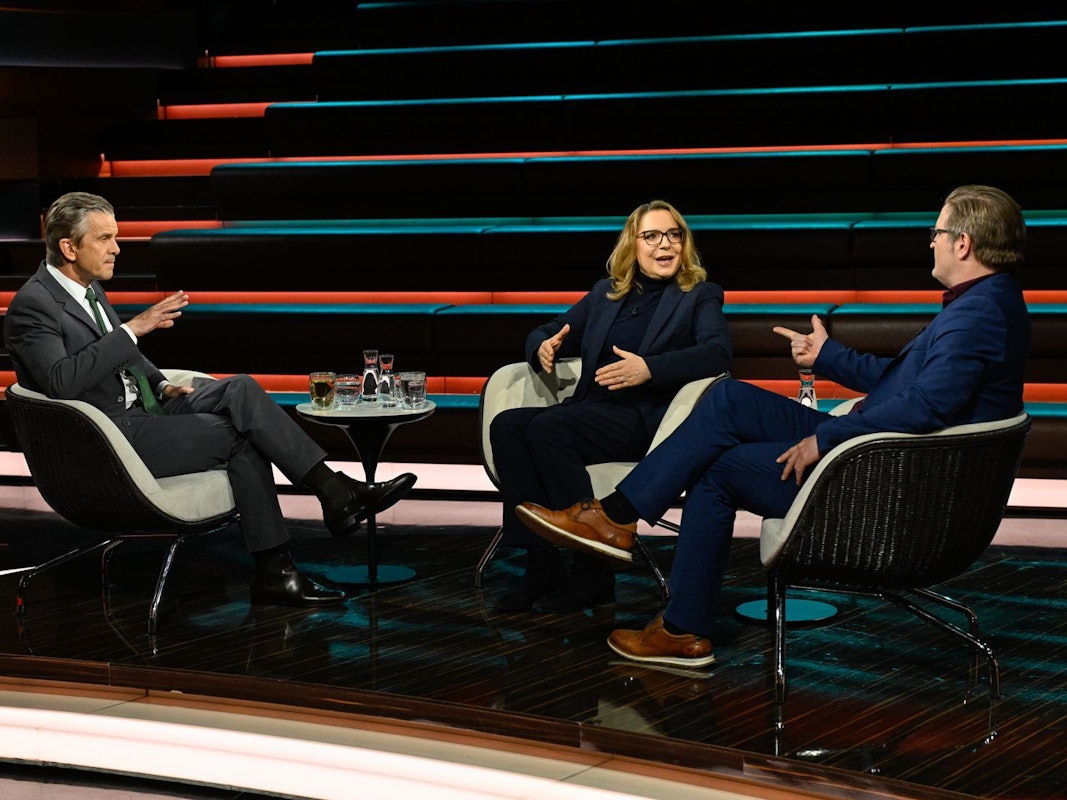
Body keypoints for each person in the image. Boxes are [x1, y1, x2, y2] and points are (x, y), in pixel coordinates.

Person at [515, 184, 1031, 666]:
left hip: (878, 473)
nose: (932, 244)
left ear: (963, 243)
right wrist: (827, 356)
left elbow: (923, 409)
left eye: (937, 234)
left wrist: (824, 436)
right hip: (871, 448)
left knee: (716, 468)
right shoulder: (985, 304)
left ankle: (649, 573)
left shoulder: (979, 315)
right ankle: (628, 537)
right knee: (728, 399)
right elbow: (899, 383)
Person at [4, 192, 417, 608]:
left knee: (241, 387)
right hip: (109, 436)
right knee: (241, 438)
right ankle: (286, 560)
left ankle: (333, 493)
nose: (116, 248)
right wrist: (132, 329)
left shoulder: (87, 290)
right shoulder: (34, 306)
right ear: (69, 248)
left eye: (116, 237)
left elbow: (125, 356)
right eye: (105, 238)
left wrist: (161, 384)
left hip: (146, 410)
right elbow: (60, 382)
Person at [490, 199, 731, 613]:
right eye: (652, 236)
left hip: (642, 421)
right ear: (632, 246)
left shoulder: (699, 295)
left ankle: (592, 573)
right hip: (589, 411)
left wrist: (649, 370)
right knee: (508, 425)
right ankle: (541, 564)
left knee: (549, 428)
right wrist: (542, 347)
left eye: (674, 235)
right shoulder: (607, 293)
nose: (665, 244)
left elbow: (718, 354)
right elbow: (550, 329)